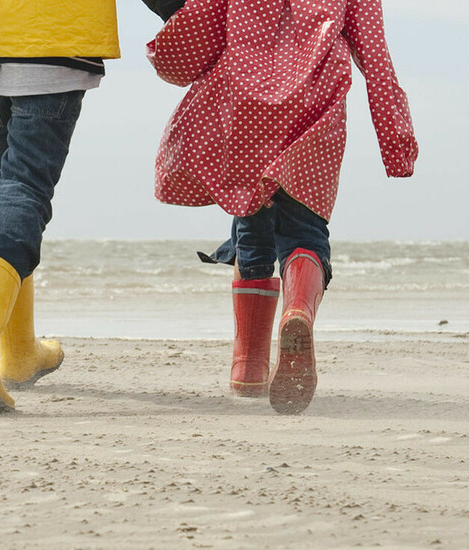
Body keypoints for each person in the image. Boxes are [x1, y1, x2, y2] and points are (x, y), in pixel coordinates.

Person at [0, 0, 182, 414]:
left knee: (4, 195)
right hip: (60, 43)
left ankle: (19, 350)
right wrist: (184, 11)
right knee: (22, 190)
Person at [147, 0, 419, 414]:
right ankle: (298, 311)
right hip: (316, 105)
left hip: (244, 102)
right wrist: (397, 142)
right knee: (304, 230)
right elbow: (376, 58)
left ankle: (248, 365)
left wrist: (164, 55)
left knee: (250, 217)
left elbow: (198, 26)